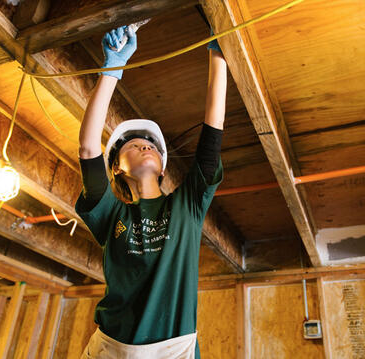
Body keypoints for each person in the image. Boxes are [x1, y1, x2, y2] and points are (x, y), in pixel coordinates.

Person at [76, 25, 227, 359]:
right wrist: (111, 69)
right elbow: (88, 149)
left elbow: (211, 138)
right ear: (115, 167)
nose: (144, 146)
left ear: (162, 166)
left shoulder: (187, 205)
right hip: (111, 348)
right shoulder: (111, 213)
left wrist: (219, 53)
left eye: (151, 146)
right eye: (133, 145)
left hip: (173, 351)